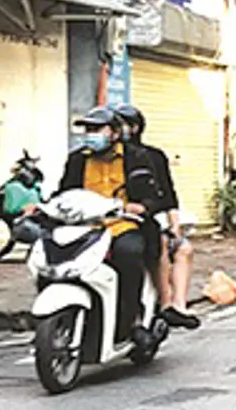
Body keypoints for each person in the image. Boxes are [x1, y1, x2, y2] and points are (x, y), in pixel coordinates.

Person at [56, 107, 165, 340]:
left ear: (114, 133)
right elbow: (64, 193)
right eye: (87, 129)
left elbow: (155, 195)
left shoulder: (136, 157)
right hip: (84, 228)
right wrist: (41, 207)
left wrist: (142, 207)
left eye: (96, 129)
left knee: (129, 253)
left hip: (123, 225)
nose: (90, 134)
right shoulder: (77, 159)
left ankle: (133, 318)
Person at [115, 105, 200, 330]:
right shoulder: (91, 159)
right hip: (108, 221)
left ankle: (174, 305)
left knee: (182, 248)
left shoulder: (150, 157)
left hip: (146, 219)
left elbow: (167, 196)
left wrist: (175, 228)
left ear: (133, 128)